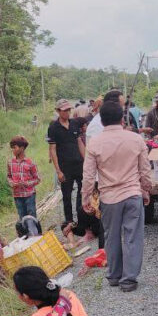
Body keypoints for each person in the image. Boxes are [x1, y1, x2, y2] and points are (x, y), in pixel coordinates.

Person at [82, 99, 152, 292]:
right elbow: (145, 170)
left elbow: (88, 176)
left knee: (111, 237)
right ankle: (129, 280)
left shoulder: (94, 143)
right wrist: (146, 189)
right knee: (132, 237)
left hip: (109, 198)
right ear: (122, 119)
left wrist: (86, 198)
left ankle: (114, 275)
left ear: (101, 120)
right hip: (132, 194)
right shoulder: (135, 139)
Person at [47, 99, 85, 234]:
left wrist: (86, 161)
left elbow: (80, 142)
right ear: (58, 111)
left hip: (79, 164)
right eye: (64, 110)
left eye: (69, 110)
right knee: (67, 195)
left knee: (82, 191)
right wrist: (58, 171)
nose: (67, 112)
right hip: (64, 167)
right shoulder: (53, 127)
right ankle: (69, 222)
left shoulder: (74, 124)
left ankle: (82, 220)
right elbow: (52, 150)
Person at [7, 136, 41, 220]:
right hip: (17, 195)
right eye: (12, 148)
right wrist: (11, 183)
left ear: (22, 148)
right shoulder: (10, 163)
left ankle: (34, 229)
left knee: (31, 217)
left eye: (14, 147)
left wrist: (26, 183)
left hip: (29, 195)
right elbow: (9, 176)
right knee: (22, 217)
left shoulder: (30, 163)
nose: (13, 150)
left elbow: (37, 179)